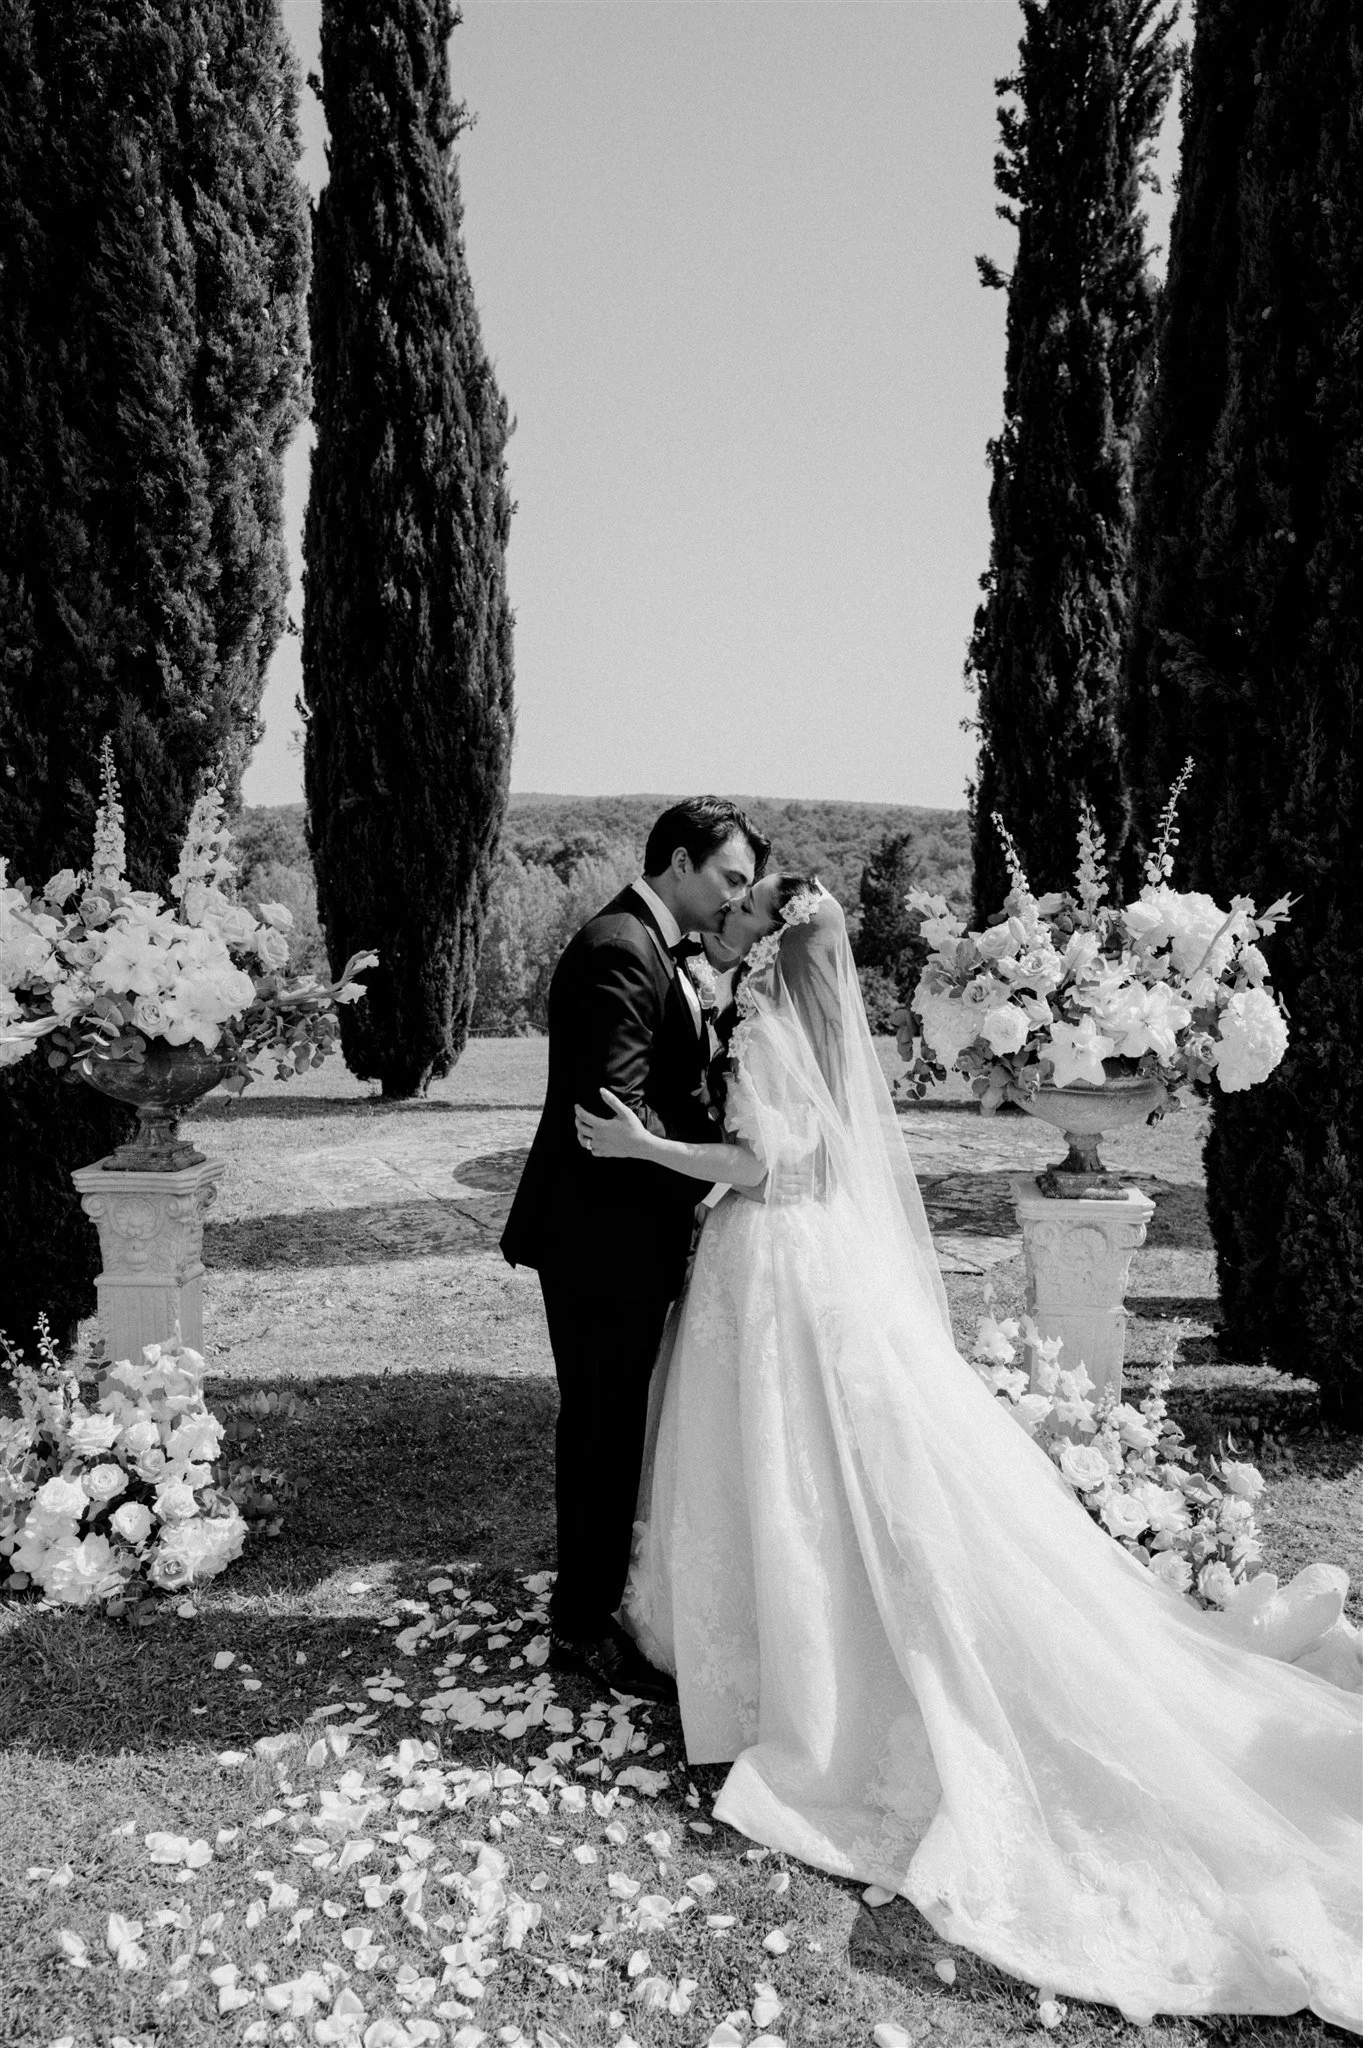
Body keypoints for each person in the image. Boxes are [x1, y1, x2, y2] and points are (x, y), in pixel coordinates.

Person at [574, 876, 1362, 2034]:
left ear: (775, 946)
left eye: (753, 914)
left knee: (798, 1469)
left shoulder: (772, 1021)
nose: (737, 922)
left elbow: (778, 1167)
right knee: (811, 1470)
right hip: (802, 1271)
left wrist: (648, 1144)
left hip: (777, 1265)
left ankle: (796, 1657)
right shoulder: (813, 1019)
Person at [500, 796, 768, 1702]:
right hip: (600, 1240)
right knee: (602, 1428)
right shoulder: (620, 947)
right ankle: (579, 1627)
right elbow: (612, 1112)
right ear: (681, 861)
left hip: (624, 1232)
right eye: (730, 878)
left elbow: (668, 1081)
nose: (735, 898)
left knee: (613, 1423)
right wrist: (711, 1172)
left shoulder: (659, 949)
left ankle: (592, 1596)